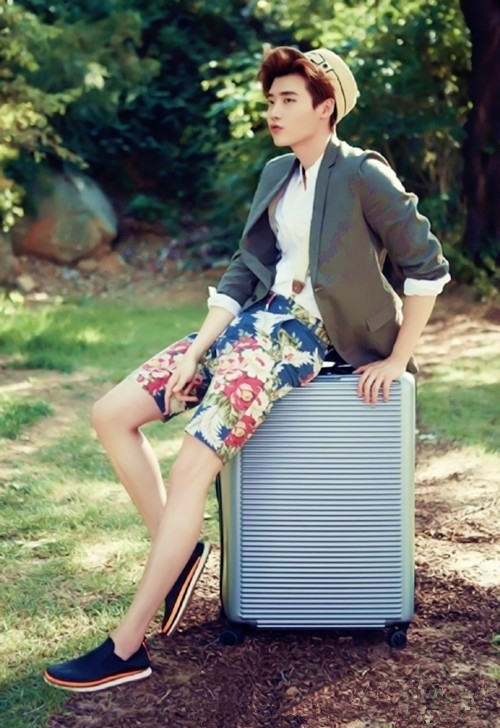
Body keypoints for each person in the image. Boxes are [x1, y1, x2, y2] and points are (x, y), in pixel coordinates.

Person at [43, 46, 450, 692]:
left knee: (192, 467)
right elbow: (245, 268)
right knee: (112, 414)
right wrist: (197, 350)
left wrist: (398, 357)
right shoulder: (277, 174)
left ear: (326, 107)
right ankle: (179, 555)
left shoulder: (362, 174)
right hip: (249, 326)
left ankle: (127, 648)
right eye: (270, 101)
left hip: (299, 339)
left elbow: (427, 264)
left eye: (289, 100)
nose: (274, 112)